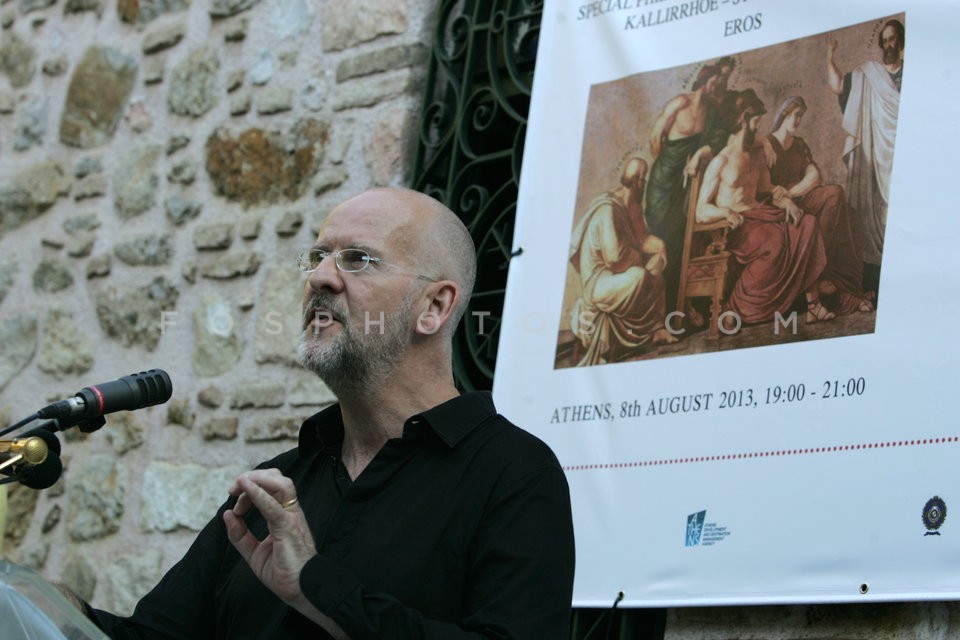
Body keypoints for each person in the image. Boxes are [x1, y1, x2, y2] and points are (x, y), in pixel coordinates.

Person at [67, 188, 576, 638]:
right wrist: (33, 603)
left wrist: (316, 587)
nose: (320, 277)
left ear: (434, 307)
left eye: (357, 259)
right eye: (317, 256)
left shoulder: (514, 472)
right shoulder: (286, 478)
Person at [696, 90, 831, 326]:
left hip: (760, 215)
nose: (759, 128)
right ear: (742, 122)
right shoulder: (722, 161)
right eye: (755, 122)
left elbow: (768, 188)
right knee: (775, 242)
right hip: (737, 227)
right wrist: (726, 212)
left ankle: (814, 305)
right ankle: (735, 307)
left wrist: (786, 200)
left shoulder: (757, 154)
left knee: (807, 223)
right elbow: (700, 210)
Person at [765, 95, 873, 315]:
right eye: (795, 115)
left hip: (800, 196)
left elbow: (814, 175)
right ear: (784, 115)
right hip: (779, 206)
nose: (798, 121)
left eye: (801, 117)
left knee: (836, 195)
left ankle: (843, 283)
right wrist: (785, 196)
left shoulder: (799, 144)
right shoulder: (767, 143)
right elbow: (764, 185)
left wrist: (792, 191)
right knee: (833, 205)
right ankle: (827, 278)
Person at [568, 157, 678, 366]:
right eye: (643, 180)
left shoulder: (634, 207)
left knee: (654, 265)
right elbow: (615, 259)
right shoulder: (608, 208)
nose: (644, 185)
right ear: (636, 181)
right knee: (639, 274)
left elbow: (642, 239)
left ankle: (657, 330)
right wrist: (639, 257)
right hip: (598, 282)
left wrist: (659, 246)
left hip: (616, 278)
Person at [645, 62, 730, 313]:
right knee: (659, 233)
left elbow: (719, 138)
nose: (716, 86)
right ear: (703, 79)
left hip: (684, 184)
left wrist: (700, 152)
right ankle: (653, 307)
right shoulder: (680, 102)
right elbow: (655, 136)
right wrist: (666, 165)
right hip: (663, 180)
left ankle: (674, 307)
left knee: (678, 239)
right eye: (713, 80)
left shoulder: (712, 113)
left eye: (719, 82)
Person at [826, 18, 903, 293]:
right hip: (876, 154)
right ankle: (876, 280)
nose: (887, 45)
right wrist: (829, 55)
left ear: (901, 41)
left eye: (892, 39)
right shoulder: (871, 75)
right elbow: (838, 86)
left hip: (903, 153)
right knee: (875, 212)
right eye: (884, 40)